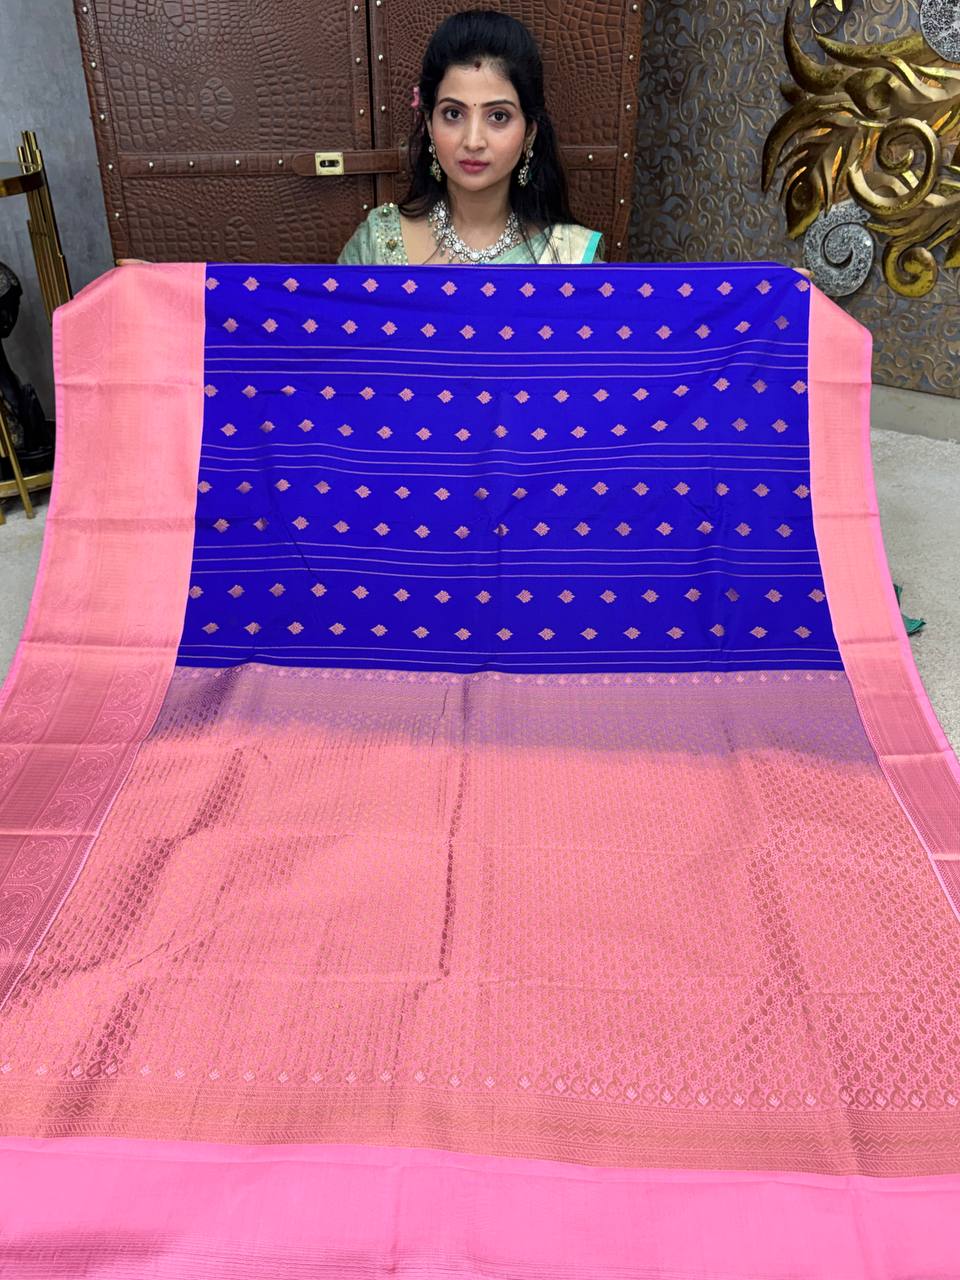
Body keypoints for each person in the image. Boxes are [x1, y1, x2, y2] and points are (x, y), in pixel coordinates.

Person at [337, 9, 604, 267]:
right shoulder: (378, 244)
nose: (473, 141)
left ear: (529, 133)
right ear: (429, 124)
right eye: (453, 113)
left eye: (498, 116)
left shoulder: (569, 256)